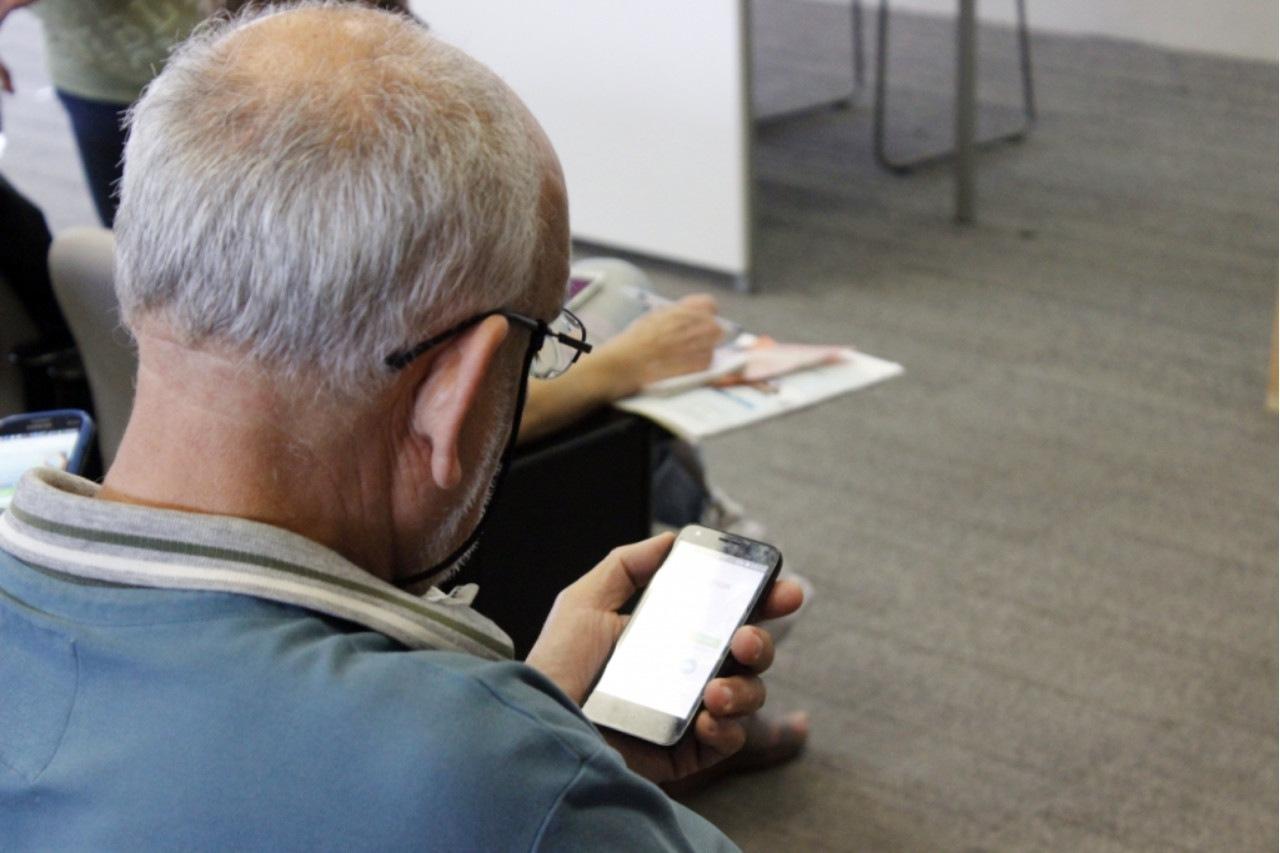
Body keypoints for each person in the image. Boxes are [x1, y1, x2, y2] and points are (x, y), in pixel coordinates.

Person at [0, 4, 803, 849]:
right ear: (450, 393)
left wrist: (541, 733)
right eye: (543, 345)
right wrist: (540, 770)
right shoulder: (488, 784)